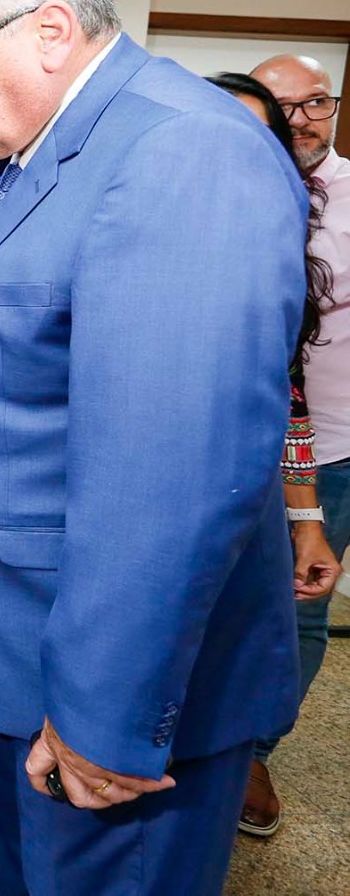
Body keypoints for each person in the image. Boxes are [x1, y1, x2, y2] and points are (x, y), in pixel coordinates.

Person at [0, 0, 304, 894]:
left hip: (108, 693)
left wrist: (104, 718)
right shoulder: (41, 148)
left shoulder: (181, 152)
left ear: (48, 29)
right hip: (34, 654)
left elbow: (174, 480)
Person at [235, 59, 349, 836]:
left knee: (299, 610)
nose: (302, 119)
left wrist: (306, 507)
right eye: (285, 107)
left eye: (316, 103)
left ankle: (252, 749)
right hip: (232, 445)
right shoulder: (231, 195)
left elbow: (291, 377)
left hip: (325, 452)